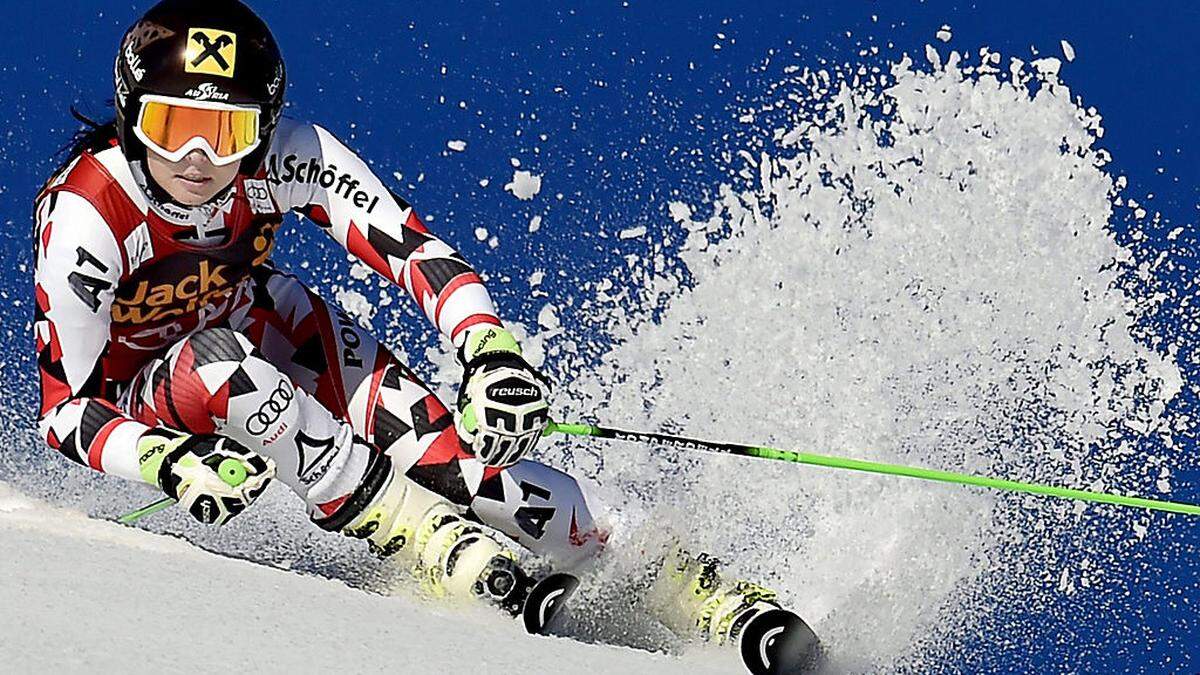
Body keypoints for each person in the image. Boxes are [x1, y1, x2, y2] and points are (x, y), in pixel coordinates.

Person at [33, 0, 782, 646]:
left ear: (262, 130)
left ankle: (672, 577)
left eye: (227, 134)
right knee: (227, 369)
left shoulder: (289, 158)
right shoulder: (87, 217)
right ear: (131, 118)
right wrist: (168, 460)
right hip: (145, 402)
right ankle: (415, 529)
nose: (197, 161)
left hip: (266, 325)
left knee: (463, 463)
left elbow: (410, 250)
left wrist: (490, 354)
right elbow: (65, 412)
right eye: (171, 127)